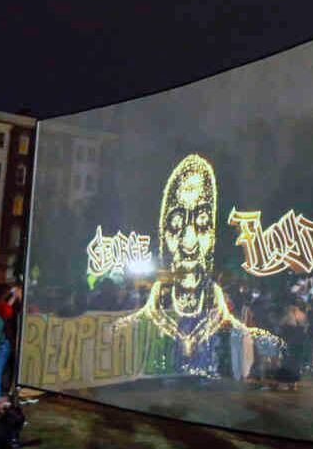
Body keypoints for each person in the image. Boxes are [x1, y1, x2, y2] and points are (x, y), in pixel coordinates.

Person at [117, 155, 279, 374]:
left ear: (212, 237)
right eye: (176, 223)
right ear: (164, 235)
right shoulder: (127, 327)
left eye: (202, 222)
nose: (189, 242)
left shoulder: (230, 323)